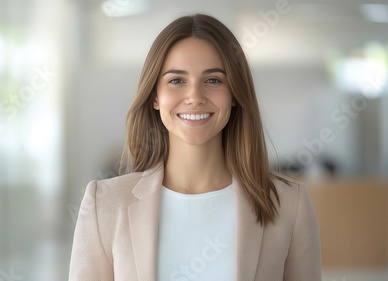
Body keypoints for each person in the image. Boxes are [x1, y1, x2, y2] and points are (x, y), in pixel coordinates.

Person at [69, 13, 321, 281]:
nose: (195, 97)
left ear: (234, 94)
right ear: (155, 96)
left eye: (213, 80)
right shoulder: (105, 204)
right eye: (177, 80)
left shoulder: (289, 206)